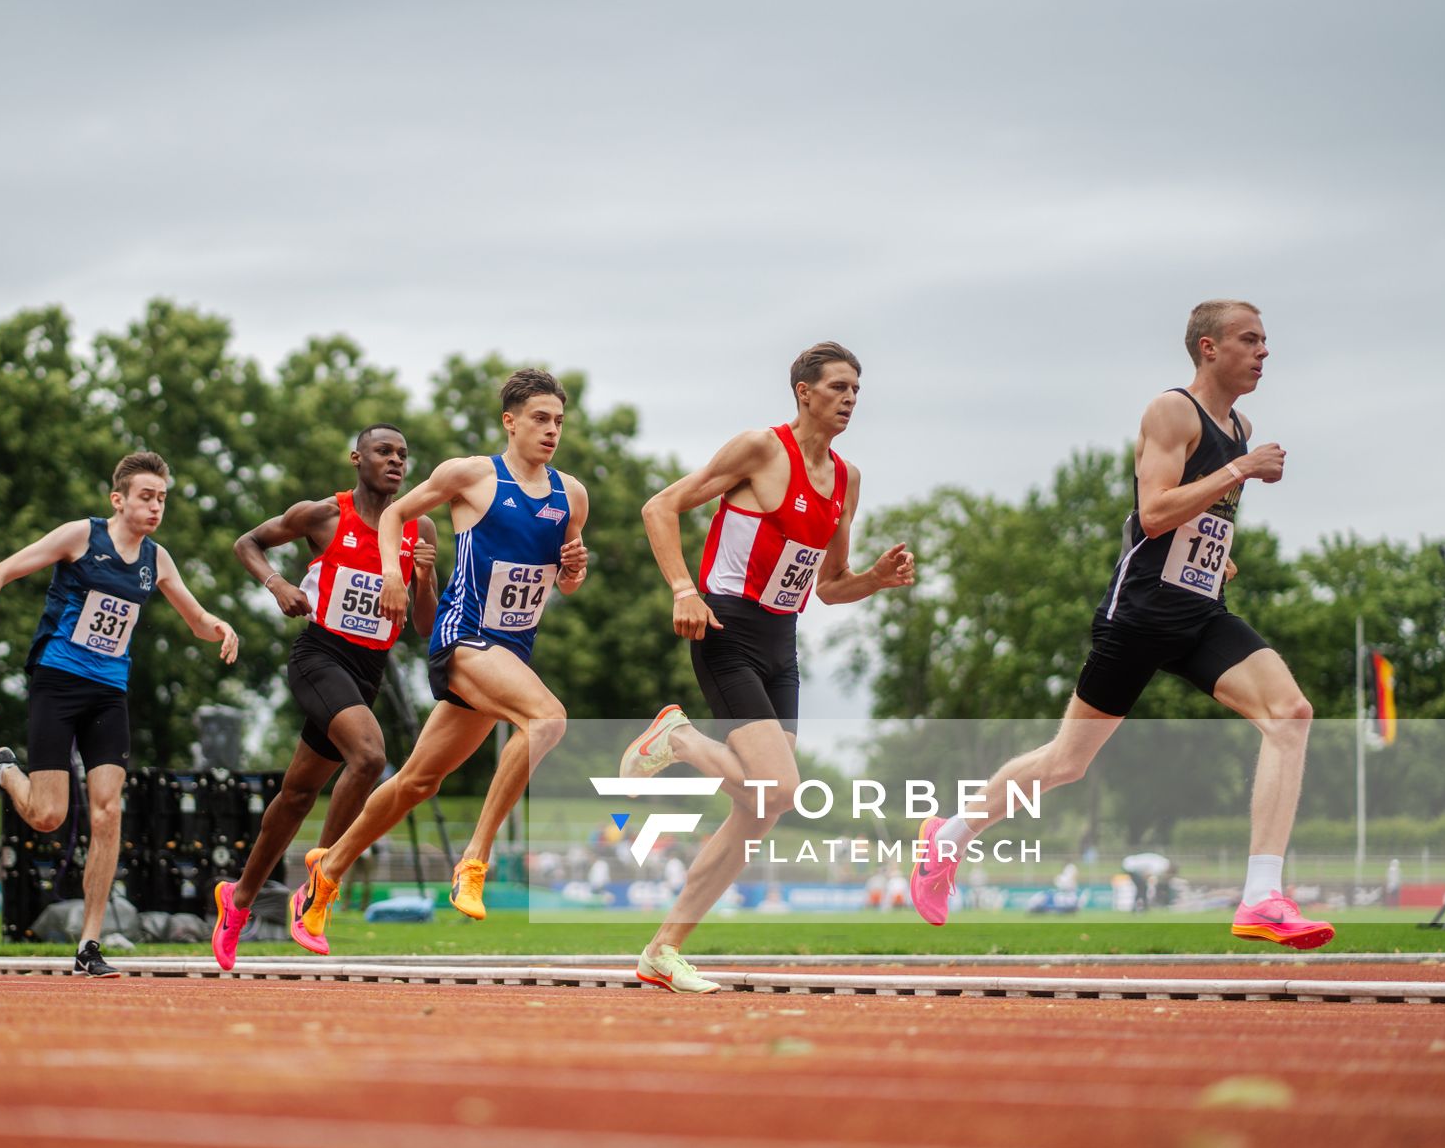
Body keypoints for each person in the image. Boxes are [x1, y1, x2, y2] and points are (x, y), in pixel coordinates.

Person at [910, 300, 1333, 949]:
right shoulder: (1172, 412)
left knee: (1290, 713)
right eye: (1249, 340)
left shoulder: (1240, 425)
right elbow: (1155, 511)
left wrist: (1217, 559)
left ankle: (1261, 897)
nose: (1264, 352)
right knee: (1066, 763)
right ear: (1208, 348)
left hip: (1199, 614)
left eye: (1266, 340)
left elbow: (1191, 527)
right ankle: (948, 837)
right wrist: (1239, 470)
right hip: (1138, 615)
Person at [618, 342, 914, 993]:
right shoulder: (759, 449)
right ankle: (681, 738)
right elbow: (658, 508)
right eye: (838, 387)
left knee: (760, 811)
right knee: (778, 791)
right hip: (727, 627)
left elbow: (831, 585)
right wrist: (682, 589)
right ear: (803, 392)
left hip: (783, 643)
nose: (850, 399)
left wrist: (875, 580)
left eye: (857, 390)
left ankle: (661, 951)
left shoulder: (846, 479)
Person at [294, 368, 589, 943]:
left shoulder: (570, 495)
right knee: (548, 718)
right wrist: (391, 575)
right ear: (510, 422)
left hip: (511, 652)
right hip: (464, 638)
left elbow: (566, 582)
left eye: (558, 420)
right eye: (539, 419)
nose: (551, 430)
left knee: (416, 783)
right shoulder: (472, 476)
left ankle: (324, 876)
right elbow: (396, 515)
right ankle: (474, 863)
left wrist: (576, 569)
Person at [0, 451, 240, 978]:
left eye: (162, 499)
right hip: (57, 682)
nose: (155, 508)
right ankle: (5, 772)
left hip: (109, 692)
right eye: (146, 497)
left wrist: (218, 626)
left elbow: (194, 618)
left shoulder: (157, 559)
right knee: (48, 816)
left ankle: (89, 943)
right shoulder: (80, 537)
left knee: (108, 813)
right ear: (119, 499)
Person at [210, 424, 439, 968]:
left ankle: (237, 901)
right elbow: (248, 543)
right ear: (356, 458)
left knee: (296, 794)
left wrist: (425, 580)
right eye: (385, 451)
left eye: (404, 454)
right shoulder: (323, 516)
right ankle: (319, 883)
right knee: (370, 755)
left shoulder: (417, 524)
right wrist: (278, 584)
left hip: (369, 670)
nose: (396, 461)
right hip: (319, 656)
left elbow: (425, 628)